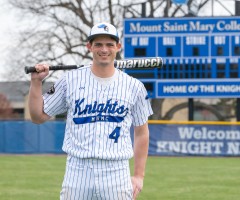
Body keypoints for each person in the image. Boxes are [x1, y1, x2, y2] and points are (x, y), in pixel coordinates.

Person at [28, 22, 153, 200]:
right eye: (98, 44)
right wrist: (36, 82)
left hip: (116, 172)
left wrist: (139, 176)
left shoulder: (134, 86)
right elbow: (37, 116)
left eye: (110, 44)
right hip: (77, 170)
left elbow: (142, 132)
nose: (104, 49)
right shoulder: (70, 80)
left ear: (118, 47)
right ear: (89, 47)